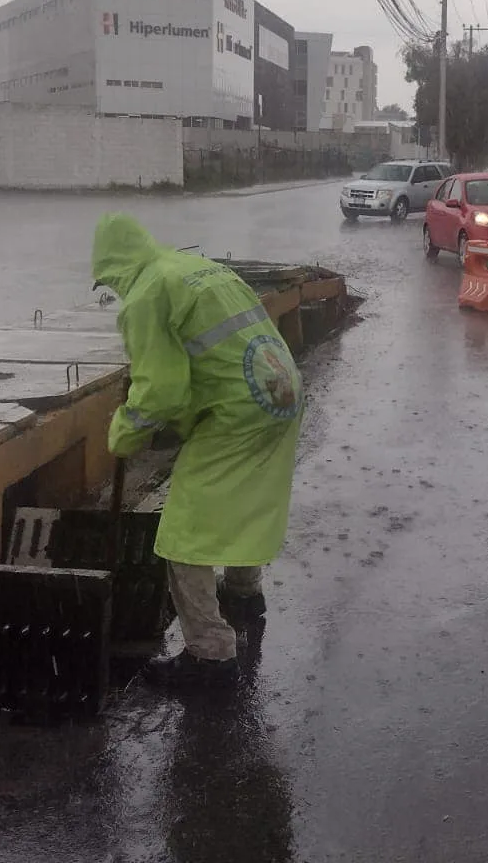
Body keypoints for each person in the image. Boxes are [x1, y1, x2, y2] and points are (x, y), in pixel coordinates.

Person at [91, 214, 305, 689]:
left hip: (238, 412)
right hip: (280, 389)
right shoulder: (193, 267)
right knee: (246, 500)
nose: (114, 292)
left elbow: (161, 392)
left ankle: (210, 657)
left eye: (108, 283)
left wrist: (123, 433)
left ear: (113, 267)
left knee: (184, 533)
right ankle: (245, 595)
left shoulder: (145, 295)